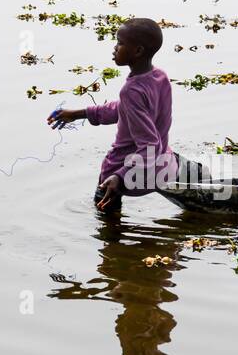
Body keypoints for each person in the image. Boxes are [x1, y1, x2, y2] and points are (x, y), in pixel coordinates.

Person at [47, 18, 200, 213]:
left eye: (120, 43)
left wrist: (120, 176)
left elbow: (149, 145)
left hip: (128, 171)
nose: (114, 48)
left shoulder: (131, 90)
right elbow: (123, 109)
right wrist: (79, 114)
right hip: (164, 164)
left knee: (107, 225)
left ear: (137, 51)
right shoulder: (160, 77)